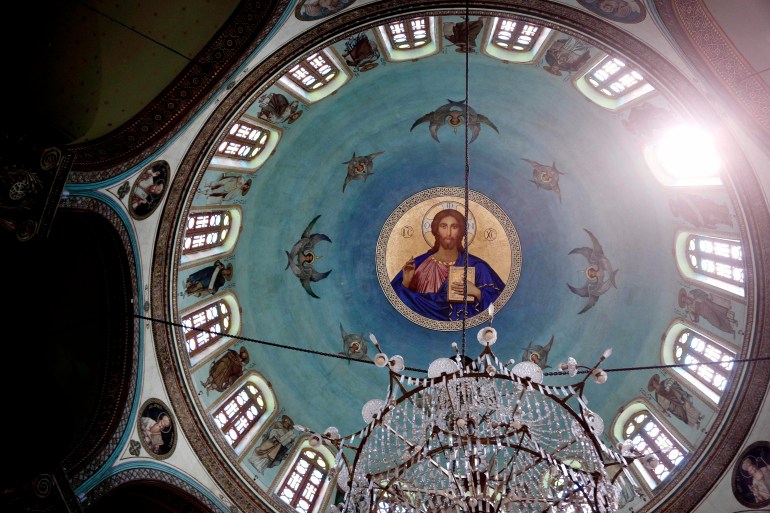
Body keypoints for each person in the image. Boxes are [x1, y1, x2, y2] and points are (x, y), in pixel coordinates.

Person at [391, 209, 504, 321]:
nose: (448, 233)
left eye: (454, 227)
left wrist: (477, 292)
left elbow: (500, 304)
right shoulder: (418, 266)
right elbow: (396, 304)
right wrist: (406, 282)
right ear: (436, 230)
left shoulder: (478, 267)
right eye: (443, 226)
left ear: (461, 231)